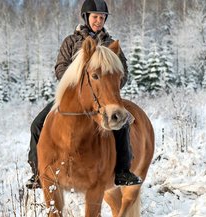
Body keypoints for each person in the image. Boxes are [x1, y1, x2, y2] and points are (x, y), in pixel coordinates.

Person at [26, 0, 142, 189]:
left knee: (122, 125)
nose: (98, 21)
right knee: (37, 125)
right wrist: (77, 83)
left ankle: (122, 171)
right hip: (72, 98)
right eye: (95, 17)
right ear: (86, 17)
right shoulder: (71, 42)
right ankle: (38, 172)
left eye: (102, 17)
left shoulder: (111, 44)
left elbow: (123, 73)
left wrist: (109, 84)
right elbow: (60, 67)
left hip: (103, 98)